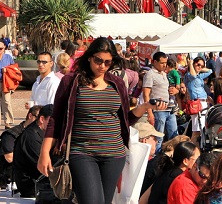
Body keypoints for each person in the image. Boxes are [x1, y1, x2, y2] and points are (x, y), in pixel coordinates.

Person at [38, 37, 168, 204]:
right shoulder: (71, 81)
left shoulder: (117, 83)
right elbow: (56, 117)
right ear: (90, 57)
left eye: (108, 62)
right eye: (98, 60)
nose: (102, 66)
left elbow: (124, 120)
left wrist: (145, 107)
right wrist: (44, 152)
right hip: (81, 151)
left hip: (114, 155)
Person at [14, 104, 53, 197]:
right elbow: (44, 166)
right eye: (52, 122)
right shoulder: (31, 136)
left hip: (39, 181)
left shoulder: (41, 132)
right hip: (32, 185)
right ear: (42, 119)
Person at [143, 51, 178, 152]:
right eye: (162, 63)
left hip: (169, 108)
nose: (164, 65)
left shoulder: (164, 74)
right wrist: (149, 113)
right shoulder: (150, 74)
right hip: (158, 110)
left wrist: (174, 90)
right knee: (159, 137)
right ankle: (156, 160)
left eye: (165, 63)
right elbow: (146, 94)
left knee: (174, 136)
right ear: (155, 62)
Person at [0, 105, 39, 190]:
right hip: (13, 180)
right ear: (30, 116)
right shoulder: (11, 134)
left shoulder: (39, 134)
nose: (41, 121)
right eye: (39, 118)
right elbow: (9, 158)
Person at [184, 56, 212, 144]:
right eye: (198, 64)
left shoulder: (199, 76)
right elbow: (192, 75)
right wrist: (191, 64)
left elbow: (210, 71)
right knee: (196, 130)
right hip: (196, 103)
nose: (200, 67)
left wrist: (200, 68)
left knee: (202, 128)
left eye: (202, 65)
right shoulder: (189, 75)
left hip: (203, 102)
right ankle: (192, 148)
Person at [135, 121, 166, 196]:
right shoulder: (151, 164)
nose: (157, 141)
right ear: (145, 140)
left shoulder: (128, 160)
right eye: (154, 138)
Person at [0, 42, 15, 129]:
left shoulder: (8, 57)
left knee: (6, 101)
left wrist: (7, 70)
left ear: (4, 48)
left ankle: (8, 122)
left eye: (1, 49)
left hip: (5, 83)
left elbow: (14, 69)